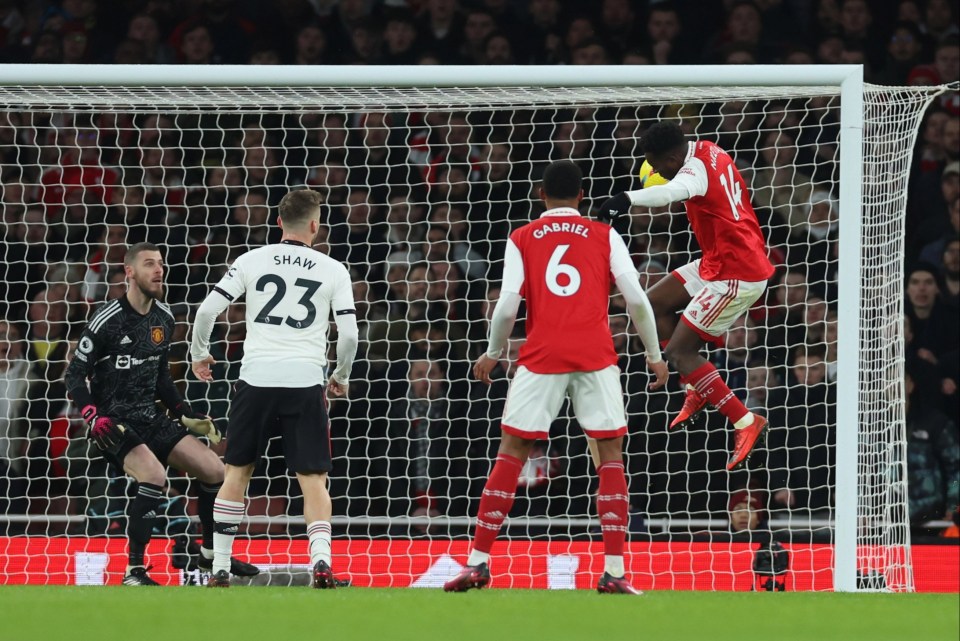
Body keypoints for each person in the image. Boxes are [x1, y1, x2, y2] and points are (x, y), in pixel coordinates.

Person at [443, 160, 668, 595]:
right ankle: (615, 571)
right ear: (582, 197)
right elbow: (638, 300)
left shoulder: (522, 237)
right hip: (596, 355)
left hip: (541, 355)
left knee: (511, 452)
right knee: (610, 457)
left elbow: (507, 306)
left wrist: (493, 353)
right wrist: (655, 354)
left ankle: (478, 562)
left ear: (540, 195)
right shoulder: (605, 234)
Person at [189, 188, 358, 589]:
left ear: (278, 222)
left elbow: (207, 311)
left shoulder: (252, 259)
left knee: (237, 472)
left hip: (257, 378)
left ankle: (221, 568)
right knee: (313, 478)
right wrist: (341, 376)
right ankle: (321, 563)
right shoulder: (333, 269)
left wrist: (199, 355)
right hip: (304, 380)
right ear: (316, 225)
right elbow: (349, 334)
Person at [63, 242, 258, 586]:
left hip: (149, 416)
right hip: (113, 422)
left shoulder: (164, 318)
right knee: (154, 476)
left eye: (161, 264)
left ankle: (211, 556)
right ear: (130, 272)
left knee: (214, 469)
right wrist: (93, 416)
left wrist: (184, 412)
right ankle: (134, 571)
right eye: (150, 264)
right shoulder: (108, 319)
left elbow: (161, 376)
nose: (158, 270)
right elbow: (74, 375)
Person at [599, 121, 774, 471]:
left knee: (679, 351)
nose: (655, 171)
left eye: (657, 164)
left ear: (674, 156)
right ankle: (697, 382)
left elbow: (667, 193)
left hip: (737, 273)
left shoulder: (692, 171)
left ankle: (744, 421)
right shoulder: (709, 148)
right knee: (649, 307)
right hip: (719, 260)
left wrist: (626, 199)